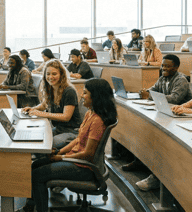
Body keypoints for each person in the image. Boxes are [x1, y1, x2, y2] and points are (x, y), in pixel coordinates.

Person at [19, 79, 118, 212]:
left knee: (37, 175)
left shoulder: (98, 121)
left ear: (96, 96)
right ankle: (30, 206)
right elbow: (78, 140)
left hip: (84, 168)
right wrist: (59, 153)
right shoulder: (90, 113)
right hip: (77, 160)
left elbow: (88, 155)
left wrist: (61, 158)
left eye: (85, 93)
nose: (81, 96)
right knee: (35, 165)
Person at [131, 54, 192, 191]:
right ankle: (139, 161)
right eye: (163, 65)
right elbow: (153, 90)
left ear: (176, 67)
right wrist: (146, 92)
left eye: (167, 66)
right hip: (167, 114)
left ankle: (156, 177)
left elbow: (175, 99)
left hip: (182, 118)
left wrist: (150, 96)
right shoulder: (162, 78)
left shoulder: (181, 80)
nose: (163, 68)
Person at [22, 60, 83, 150]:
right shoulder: (50, 88)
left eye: (54, 74)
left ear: (61, 75)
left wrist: (42, 114)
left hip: (72, 131)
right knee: (36, 138)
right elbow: (44, 105)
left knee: (45, 144)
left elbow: (66, 117)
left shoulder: (69, 91)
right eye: (48, 74)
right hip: (59, 128)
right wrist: (32, 109)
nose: (50, 77)